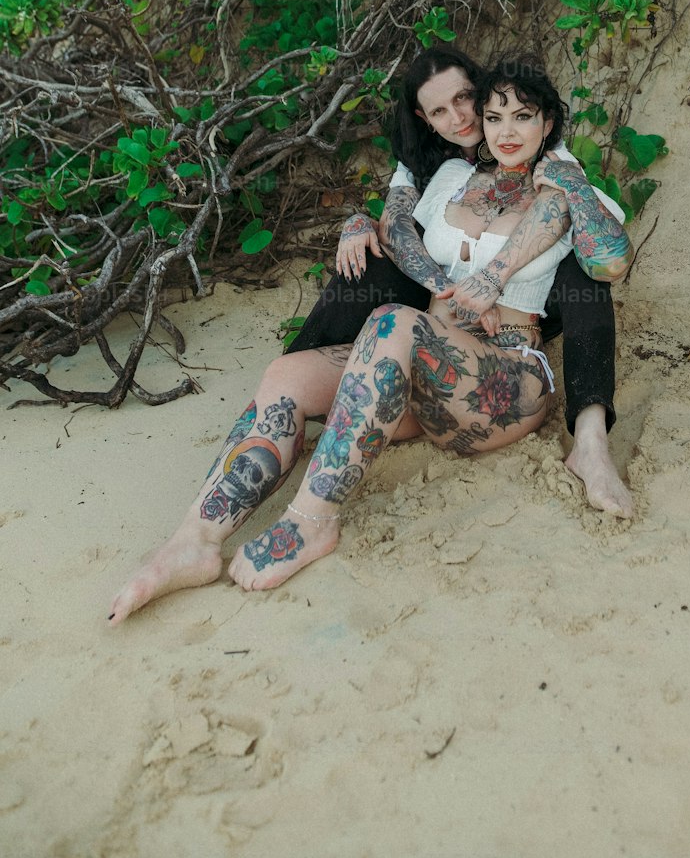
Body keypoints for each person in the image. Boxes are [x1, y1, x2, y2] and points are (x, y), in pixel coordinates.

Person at [108, 60, 632, 621]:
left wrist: (568, 187)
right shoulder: (453, 180)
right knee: (288, 376)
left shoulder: (568, 191)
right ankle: (195, 540)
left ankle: (311, 521)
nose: (505, 131)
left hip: (504, 378)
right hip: (417, 376)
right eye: (495, 115)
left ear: (548, 123)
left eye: (523, 117)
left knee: (391, 323)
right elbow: (397, 233)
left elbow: (609, 264)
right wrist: (360, 220)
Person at [289, 45, 633, 515]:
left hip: (531, 300)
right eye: (439, 111)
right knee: (369, 260)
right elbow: (395, 224)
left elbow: (603, 252)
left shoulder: (538, 146)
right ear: (424, 118)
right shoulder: (431, 161)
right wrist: (367, 229)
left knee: (583, 271)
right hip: (445, 292)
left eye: (465, 99)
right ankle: (303, 377)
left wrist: (494, 279)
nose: (460, 118)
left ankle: (590, 439)